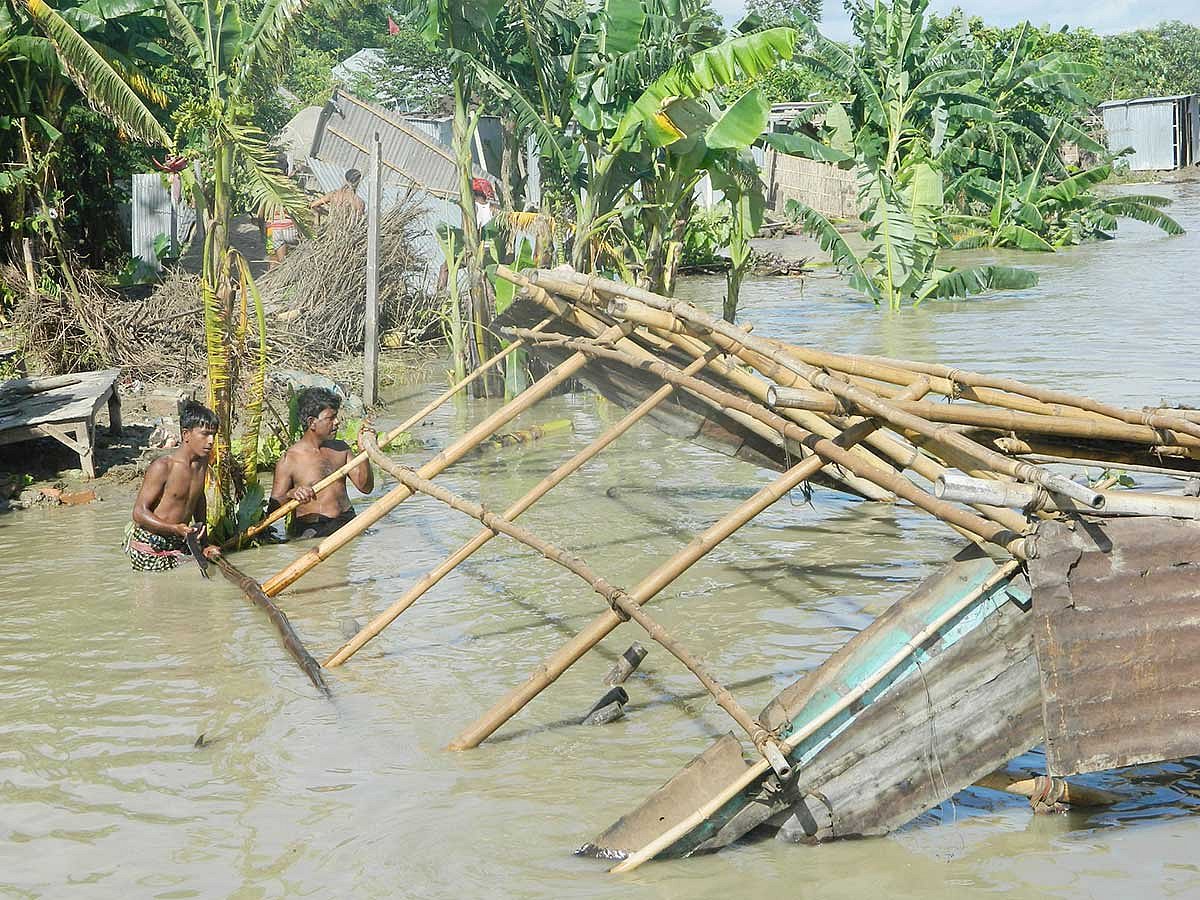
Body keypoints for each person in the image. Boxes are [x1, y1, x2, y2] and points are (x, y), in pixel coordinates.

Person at [127, 400, 221, 572]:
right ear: (186, 435)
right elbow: (139, 513)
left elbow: (198, 498)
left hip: (179, 541)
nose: (211, 441)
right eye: (205, 434)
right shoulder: (163, 467)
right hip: (151, 545)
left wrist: (205, 543)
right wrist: (174, 528)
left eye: (213, 435)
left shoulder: (203, 461)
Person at [270, 387, 374, 539]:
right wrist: (292, 494)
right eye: (330, 418)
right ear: (312, 422)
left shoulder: (341, 449)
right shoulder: (290, 459)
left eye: (336, 417)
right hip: (313, 529)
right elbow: (273, 509)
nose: (337, 422)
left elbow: (366, 488)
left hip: (347, 521)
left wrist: (364, 454)